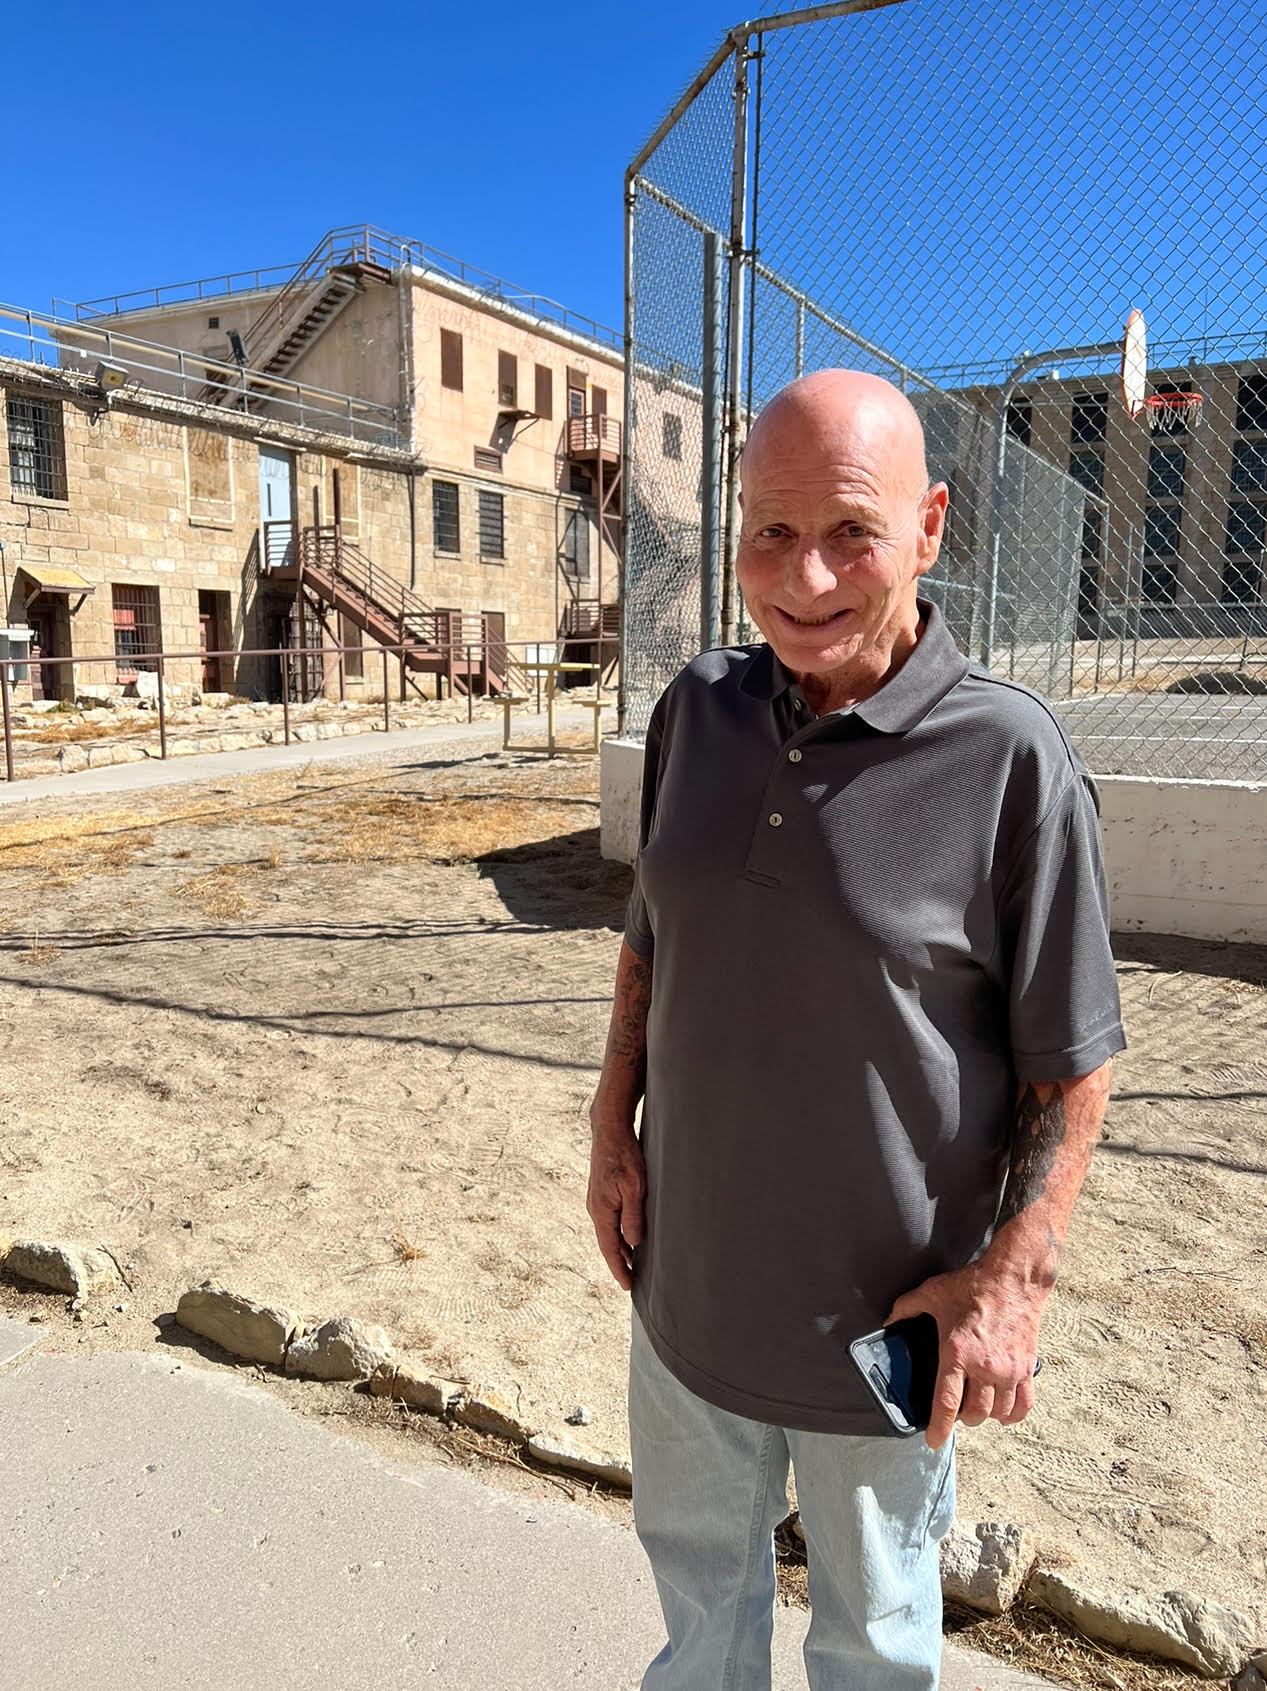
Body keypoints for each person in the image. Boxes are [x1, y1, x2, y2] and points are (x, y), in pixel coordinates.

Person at [587, 369, 1124, 1691]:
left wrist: (1009, 1282)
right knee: (699, 1629)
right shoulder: (694, 715)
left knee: (875, 1649)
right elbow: (655, 937)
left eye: (851, 531)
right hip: (688, 1307)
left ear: (930, 528)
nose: (805, 575)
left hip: (886, 1344)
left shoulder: (1008, 761)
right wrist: (612, 1121)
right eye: (769, 530)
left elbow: (1074, 1067)